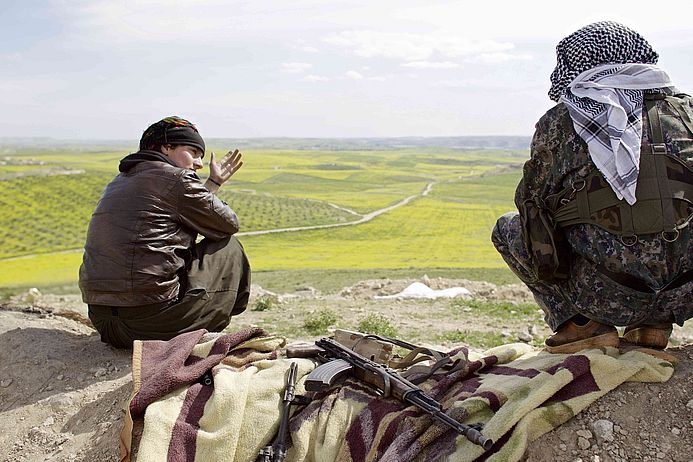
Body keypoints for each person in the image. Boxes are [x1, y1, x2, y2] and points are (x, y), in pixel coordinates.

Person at [492, 21, 692, 354]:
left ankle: (582, 326)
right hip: (685, 295)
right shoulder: (686, 113)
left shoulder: (564, 121)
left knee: (509, 228)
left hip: (607, 295)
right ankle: (652, 327)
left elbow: (531, 204)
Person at [79, 116, 251, 348]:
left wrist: (211, 184)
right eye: (193, 152)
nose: (199, 163)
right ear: (165, 147)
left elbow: (185, 211)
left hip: (105, 324)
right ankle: (210, 320)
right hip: (150, 325)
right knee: (228, 245)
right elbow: (227, 224)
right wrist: (213, 187)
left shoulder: (119, 181)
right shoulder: (177, 178)